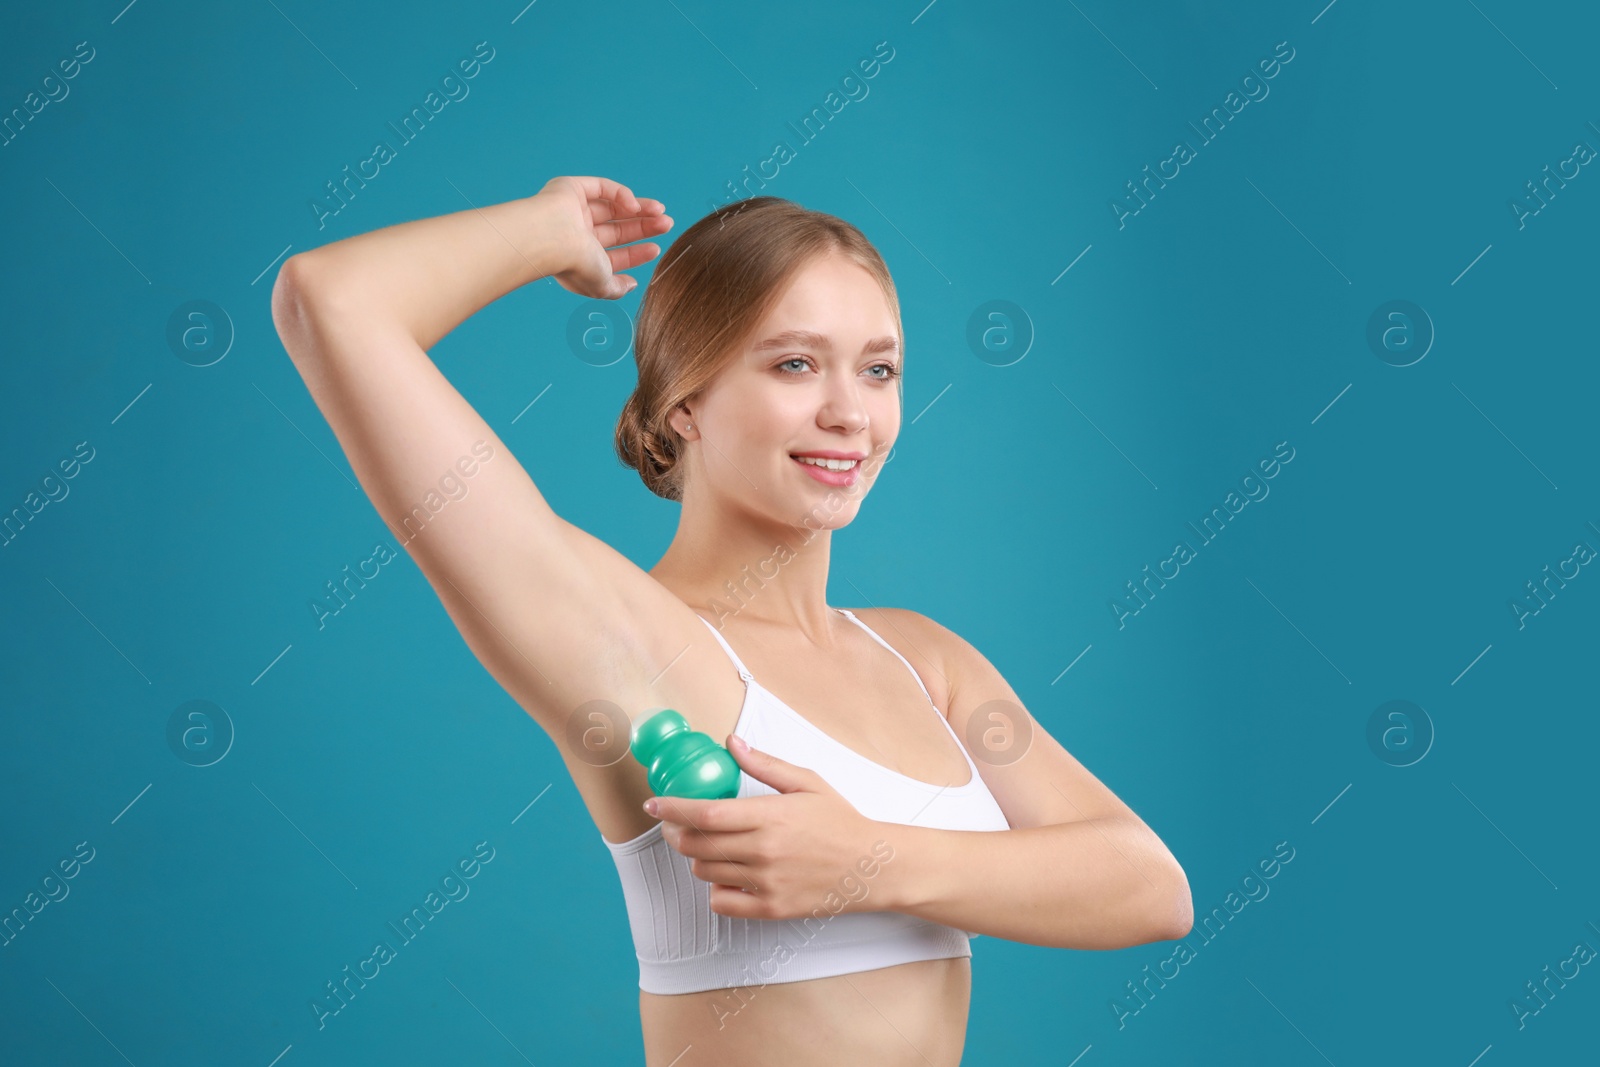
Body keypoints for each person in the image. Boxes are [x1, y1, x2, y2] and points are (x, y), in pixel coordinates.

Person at [271, 175, 1192, 1066]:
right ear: (685, 400)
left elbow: (1149, 886)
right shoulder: (627, 642)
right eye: (795, 363)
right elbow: (330, 301)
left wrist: (873, 859)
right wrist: (550, 229)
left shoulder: (922, 659)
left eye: (878, 369)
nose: (849, 414)